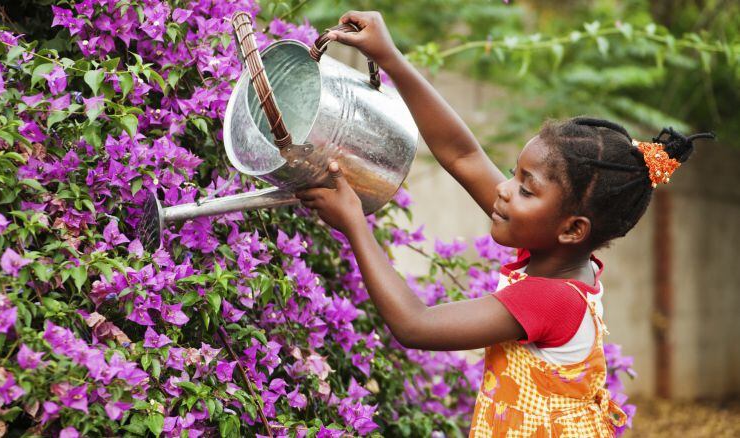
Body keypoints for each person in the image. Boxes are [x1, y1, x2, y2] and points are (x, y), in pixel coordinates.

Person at [293, 10, 715, 437]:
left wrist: (353, 223)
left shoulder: (550, 298)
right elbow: (464, 156)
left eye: (526, 189)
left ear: (573, 228)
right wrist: (392, 59)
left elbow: (414, 325)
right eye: (514, 174)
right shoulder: (557, 253)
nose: (504, 189)